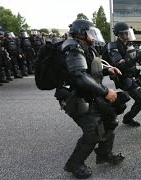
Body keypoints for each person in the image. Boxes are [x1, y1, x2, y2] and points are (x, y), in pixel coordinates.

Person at [54, 19, 126, 179]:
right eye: (91, 33)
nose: (93, 36)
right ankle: (74, 164)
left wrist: (108, 71)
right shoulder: (72, 48)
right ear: (81, 33)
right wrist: (106, 91)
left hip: (89, 94)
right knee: (92, 132)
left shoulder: (85, 47)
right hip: (75, 97)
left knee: (110, 121)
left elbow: (90, 71)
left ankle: (104, 153)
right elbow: (79, 76)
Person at [102, 22, 141, 128]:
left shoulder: (129, 45)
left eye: (128, 33)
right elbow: (120, 65)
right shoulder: (113, 46)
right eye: (125, 33)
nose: (127, 35)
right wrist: (136, 56)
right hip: (124, 78)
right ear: (118, 34)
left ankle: (128, 118)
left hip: (134, 76)